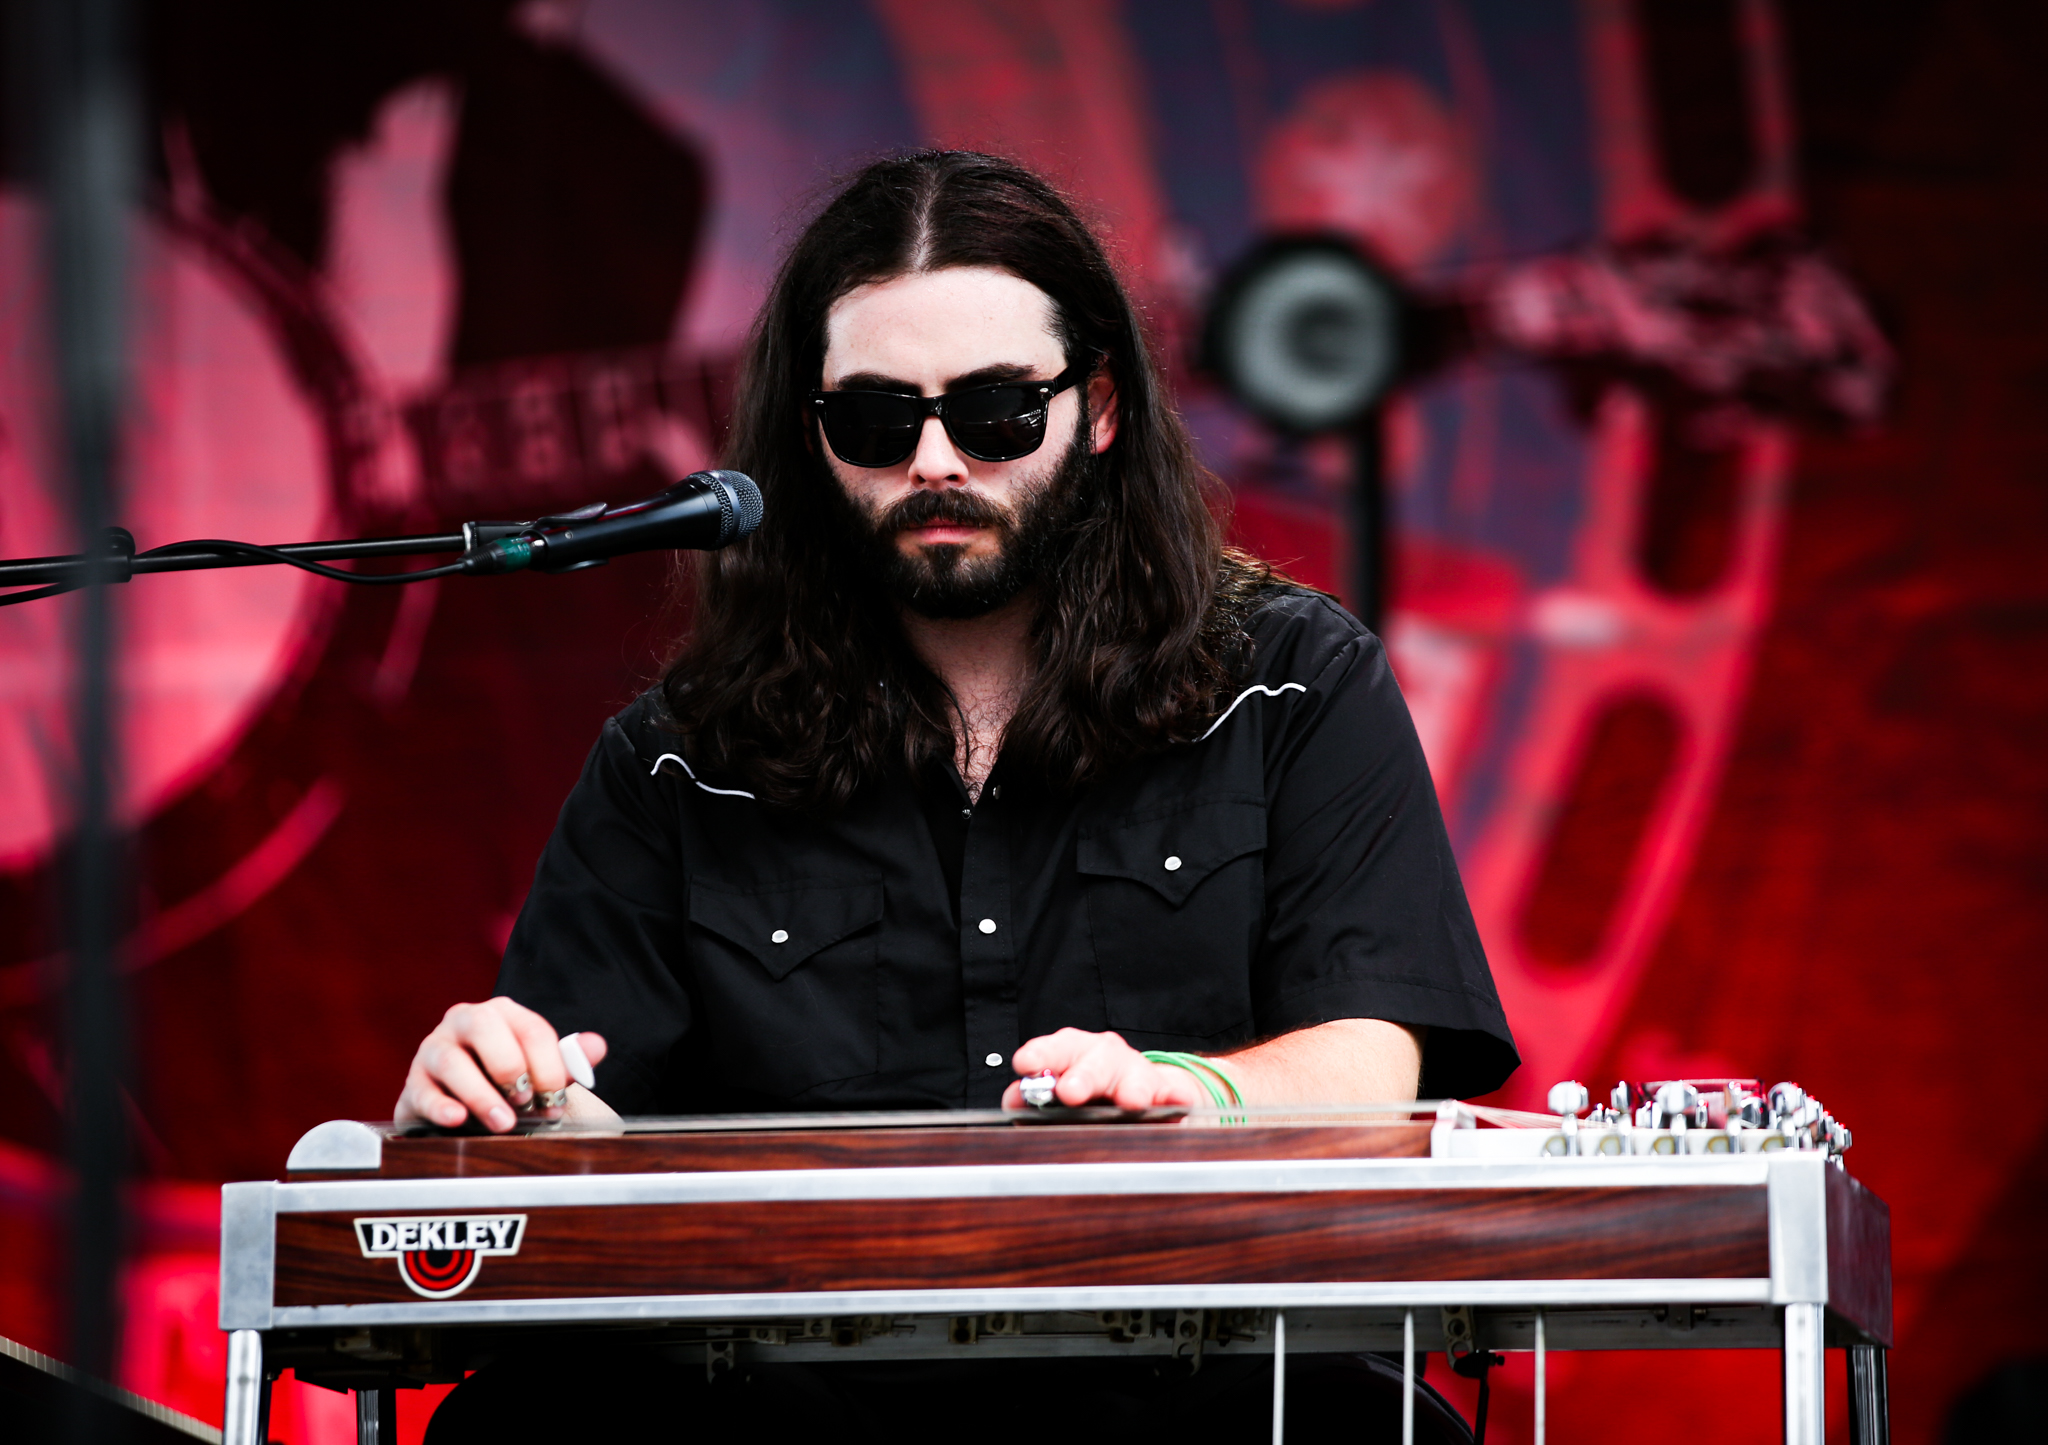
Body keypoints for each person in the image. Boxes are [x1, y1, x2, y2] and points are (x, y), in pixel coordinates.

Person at [402, 150, 1514, 1442]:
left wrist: (1189, 1092)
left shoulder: (1288, 682)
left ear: (1097, 406)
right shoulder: (676, 758)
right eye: (875, 422)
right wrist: (496, 1089)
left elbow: (1375, 1051)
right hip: (779, 1402)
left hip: (1184, 1380)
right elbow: (576, 1124)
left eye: (992, 412)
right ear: (809, 440)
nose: (934, 461)